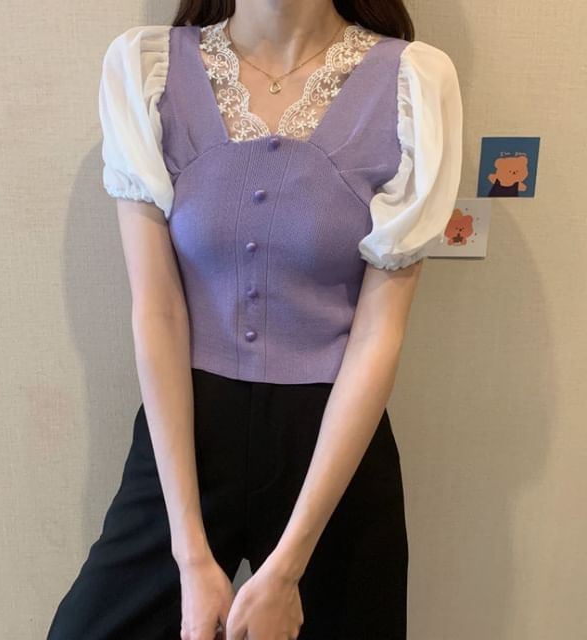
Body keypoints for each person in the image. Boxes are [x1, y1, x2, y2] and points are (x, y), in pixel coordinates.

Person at [47, 0, 463, 638]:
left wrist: (288, 569)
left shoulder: (413, 84)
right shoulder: (148, 70)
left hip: (332, 449)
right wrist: (190, 557)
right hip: (186, 436)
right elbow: (157, 310)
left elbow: (379, 335)